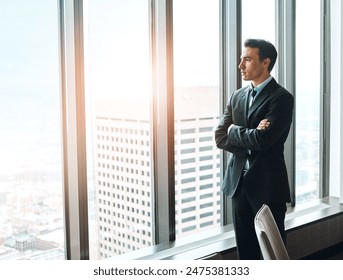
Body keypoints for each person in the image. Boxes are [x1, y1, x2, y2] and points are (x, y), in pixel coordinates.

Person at [215, 39, 294, 260]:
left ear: (265, 62)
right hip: (238, 185)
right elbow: (220, 137)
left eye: (247, 59)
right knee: (246, 252)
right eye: (242, 59)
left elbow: (263, 140)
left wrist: (234, 129)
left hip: (268, 186)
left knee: (272, 254)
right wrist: (245, 132)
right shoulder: (237, 96)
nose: (241, 65)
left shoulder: (281, 98)